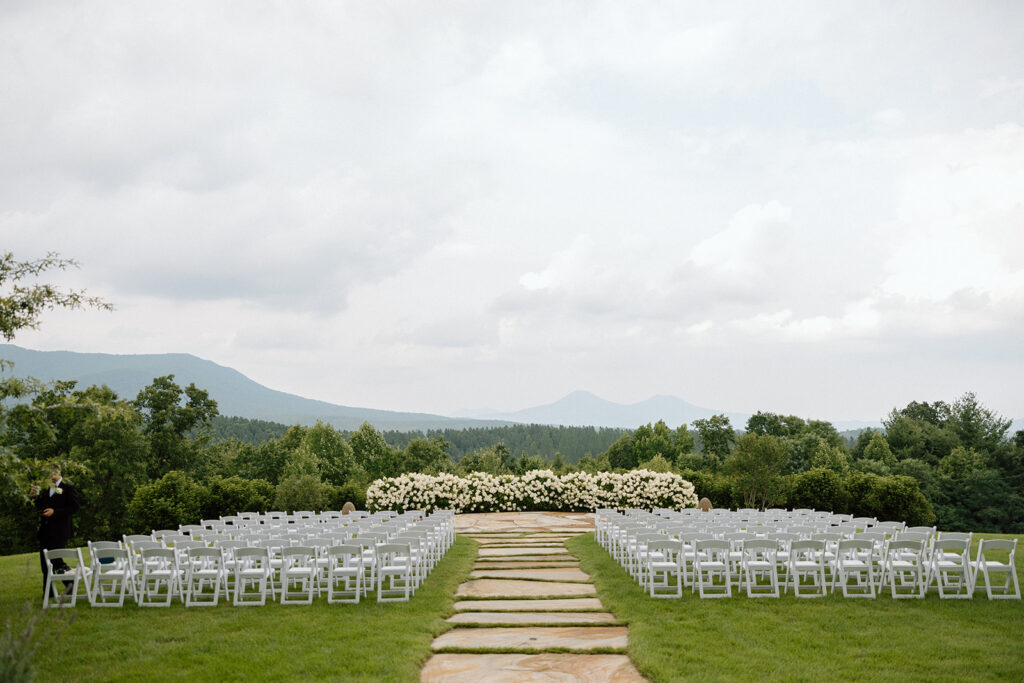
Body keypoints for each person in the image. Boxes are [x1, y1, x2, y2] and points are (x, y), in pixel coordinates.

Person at [31, 464, 80, 597]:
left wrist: (55, 512)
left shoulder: (68, 487)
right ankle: (49, 592)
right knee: (44, 562)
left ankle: (70, 585)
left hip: (60, 530)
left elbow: (74, 507)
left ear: (57, 472)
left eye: (50, 473)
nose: (48, 476)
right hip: (45, 530)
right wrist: (34, 497)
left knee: (56, 559)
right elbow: (41, 506)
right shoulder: (47, 489)